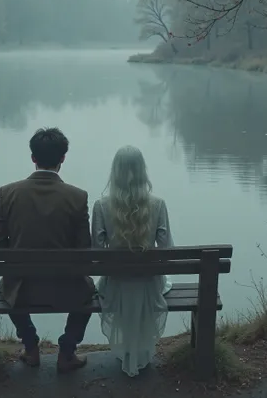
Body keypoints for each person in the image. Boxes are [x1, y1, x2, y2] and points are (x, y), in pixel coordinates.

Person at [0, 127, 95, 373]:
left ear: (33, 158)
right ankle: (67, 352)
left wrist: (16, 259)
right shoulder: (77, 197)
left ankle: (30, 346)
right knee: (90, 292)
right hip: (67, 288)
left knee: (7, 286)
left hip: (22, 289)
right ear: (62, 159)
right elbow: (84, 249)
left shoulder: (8, 193)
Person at [91, 145, 174, 377]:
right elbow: (167, 250)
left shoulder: (101, 206)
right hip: (149, 282)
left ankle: (127, 351)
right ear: (142, 171)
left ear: (114, 172)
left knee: (118, 286)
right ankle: (140, 352)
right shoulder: (157, 204)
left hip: (116, 282)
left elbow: (96, 252)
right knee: (160, 283)